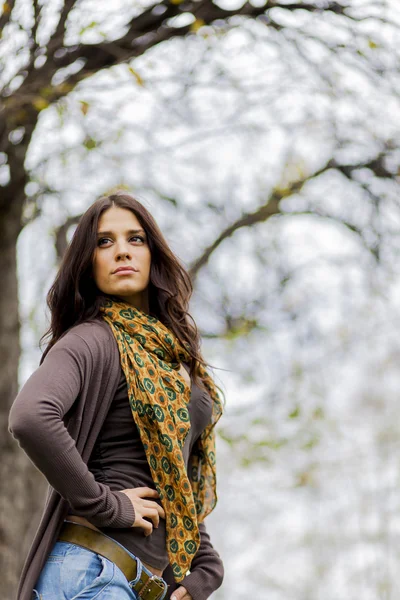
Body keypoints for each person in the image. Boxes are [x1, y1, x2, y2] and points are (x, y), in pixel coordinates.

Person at [8, 192, 225, 600]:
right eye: (104, 242)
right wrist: (107, 505)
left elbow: (176, 476)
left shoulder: (175, 361)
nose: (121, 251)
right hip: (91, 572)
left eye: (135, 239)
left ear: (153, 254)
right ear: (88, 264)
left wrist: (206, 566)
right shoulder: (93, 339)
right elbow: (31, 417)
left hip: (143, 584)